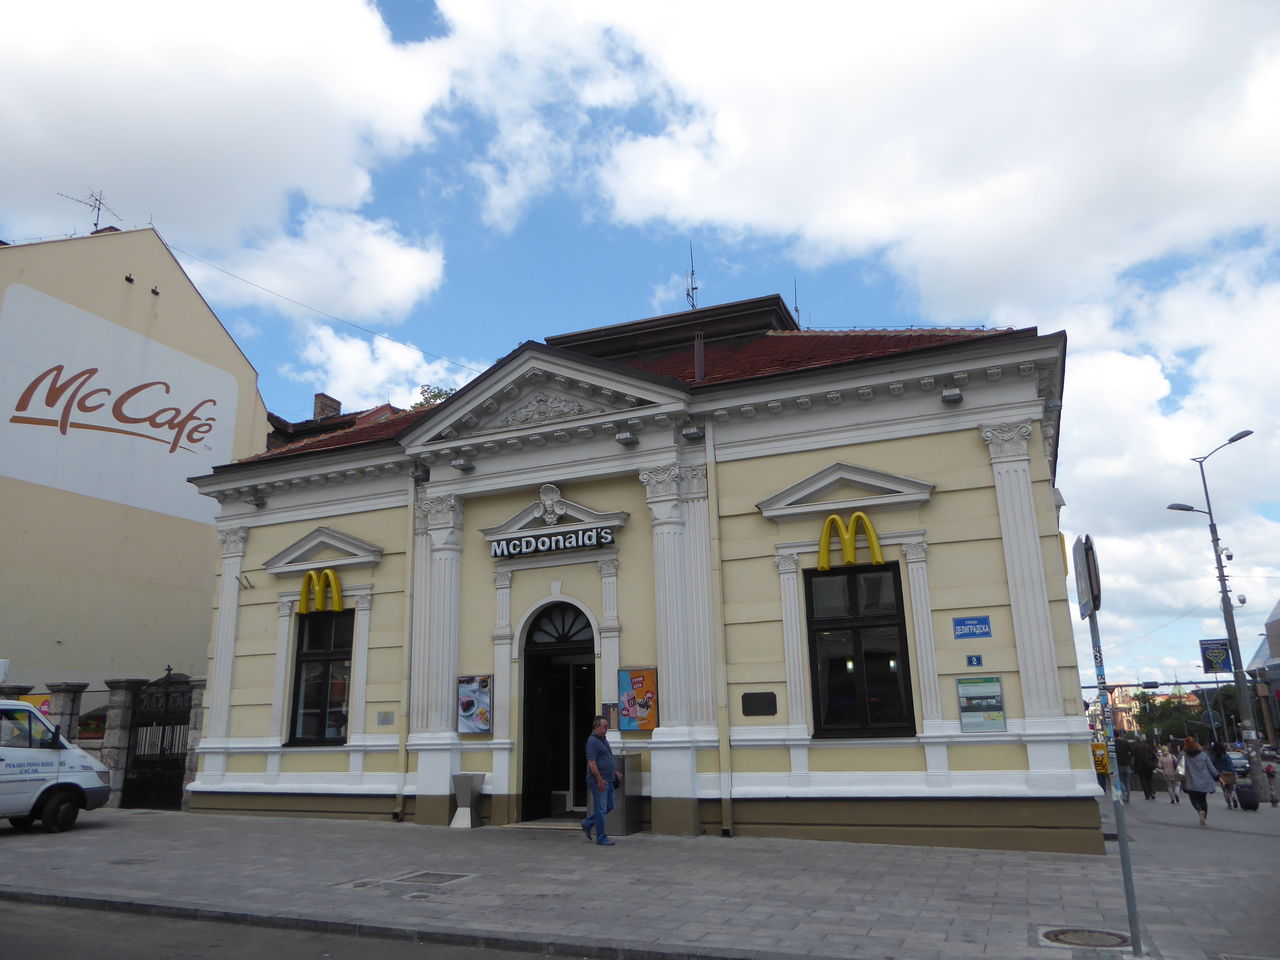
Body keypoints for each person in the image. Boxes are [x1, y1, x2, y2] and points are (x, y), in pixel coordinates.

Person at [580, 715, 621, 846]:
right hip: (599, 781)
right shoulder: (592, 741)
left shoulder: (603, 739)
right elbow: (591, 762)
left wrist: (614, 772)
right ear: (597, 727)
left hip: (609, 779)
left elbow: (606, 757)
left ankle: (587, 823)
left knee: (610, 806)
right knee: (601, 809)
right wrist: (599, 780)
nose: (606, 729)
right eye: (604, 727)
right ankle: (601, 837)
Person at [1181, 736, 1220, 827]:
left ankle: (1199, 811)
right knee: (1203, 799)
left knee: (1193, 799)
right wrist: (1217, 775)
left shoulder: (1184, 755)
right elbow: (1211, 768)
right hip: (1204, 782)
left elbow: (1180, 766)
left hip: (1191, 782)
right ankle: (1204, 815)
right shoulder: (1203, 755)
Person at [1209, 741, 1238, 809]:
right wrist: (1234, 773)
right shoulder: (1226, 756)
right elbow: (1230, 764)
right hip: (1229, 774)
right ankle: (1233, 796)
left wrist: (1214, 773)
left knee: (1225, 790)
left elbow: (1212, 766)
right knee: (1231, 788)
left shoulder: (1214, 757)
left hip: (1221, 775)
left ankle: (1229, 804)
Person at [1113, 734, 1133, 802]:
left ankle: (1124, 791)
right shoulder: (1125, 742)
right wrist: (1131, 761)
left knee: (1119, 779)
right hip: (1127, 764)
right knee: (1127, 781)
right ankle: (1128, 797)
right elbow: (1132, 752)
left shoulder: (1113, 744)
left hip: (1118, 764)